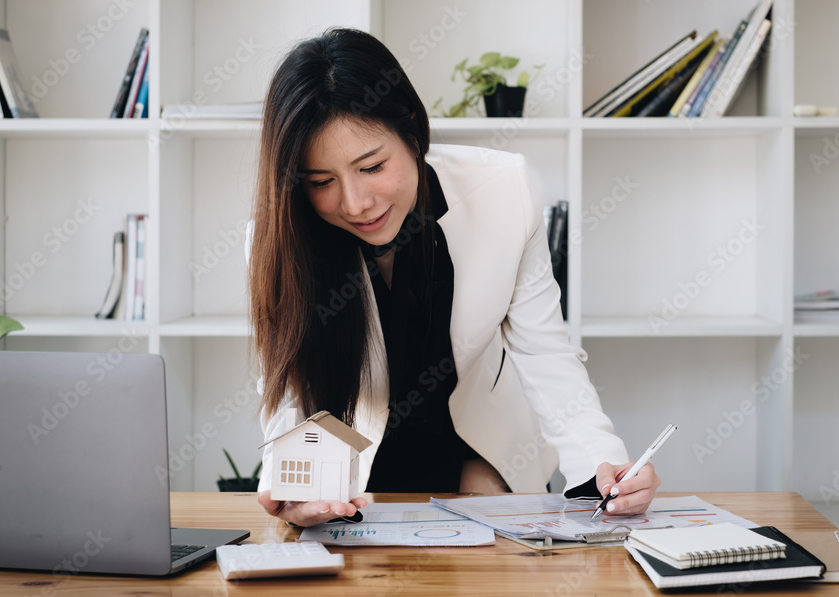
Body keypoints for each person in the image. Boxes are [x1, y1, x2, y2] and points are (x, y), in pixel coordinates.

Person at [247, 27, 660, 528]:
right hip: (360, 471)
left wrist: (602, 461)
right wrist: (295, 488)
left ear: (414, 134)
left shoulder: (506, 190)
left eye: (373, 166)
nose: (355, 203)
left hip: (481, 451)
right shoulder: (280, 237)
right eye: (321, 182)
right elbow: (289, 381)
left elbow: (543, 351)